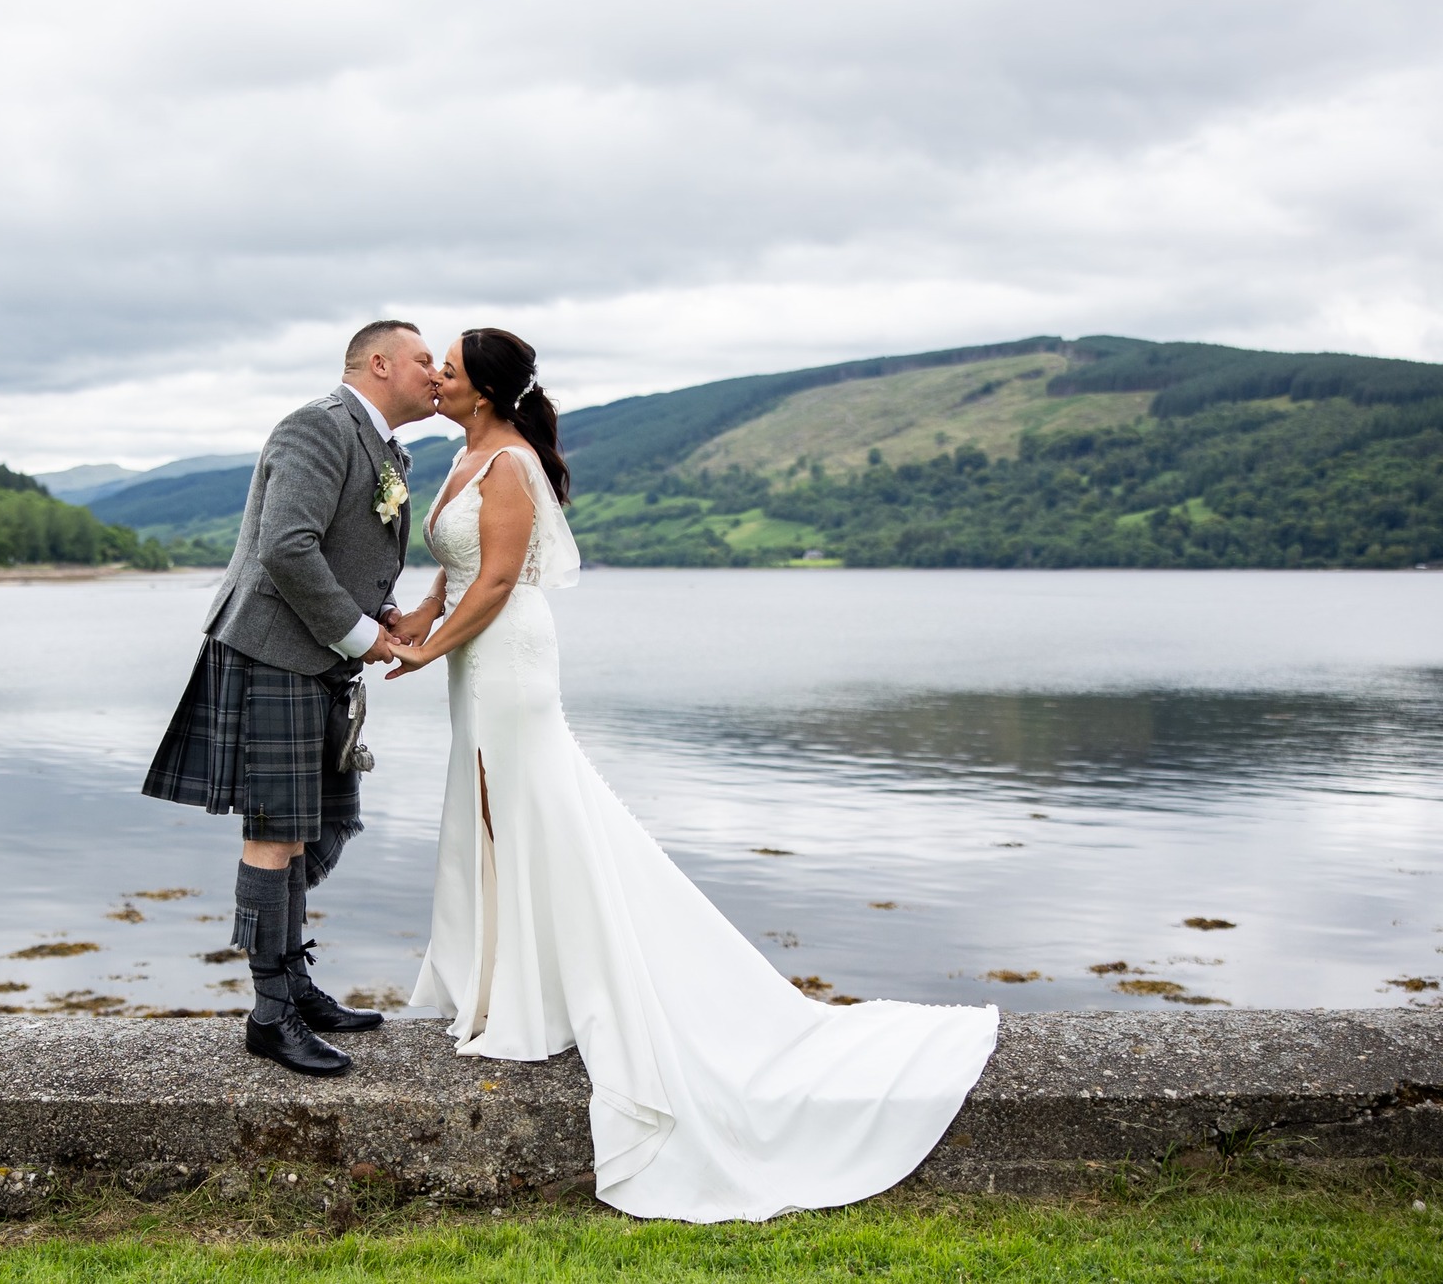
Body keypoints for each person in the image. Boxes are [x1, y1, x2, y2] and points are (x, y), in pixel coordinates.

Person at [386, 328, 999, 1222]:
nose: (434, 376)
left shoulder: (510, 465)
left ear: (483, 390)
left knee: (529, 809)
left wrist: (428, 646)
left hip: (509, 659)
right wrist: (402, 626)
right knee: (485, 811)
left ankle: (538, 994)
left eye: (447, 367)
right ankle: (503, 983)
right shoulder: (464, 454)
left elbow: (499, 581)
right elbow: (453, 573)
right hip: (470, 662)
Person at [143, 319, 439, 1077]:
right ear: (379, 364)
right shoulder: (317, 425)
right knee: (276, 830)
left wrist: (381, 616)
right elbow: (287, 545)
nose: (435, 374)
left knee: (311, 828)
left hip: (318, 656)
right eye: (423, 360)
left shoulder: (383, 444)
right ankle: (270, 1012)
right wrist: (357, 632)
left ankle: (297, 986)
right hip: (275, 647)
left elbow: (343, 547)